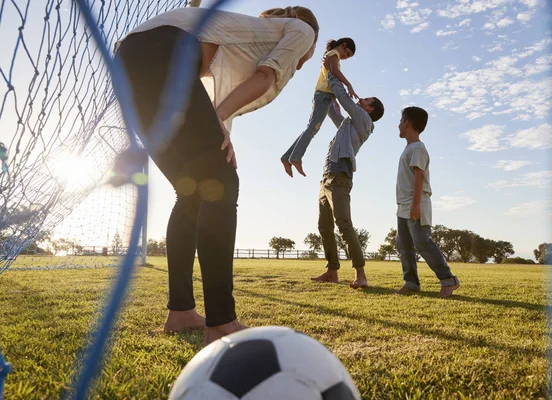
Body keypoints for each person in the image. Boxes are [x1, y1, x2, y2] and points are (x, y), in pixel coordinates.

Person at [114, 5, 319, 344]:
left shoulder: (239, 39)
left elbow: (206, 100)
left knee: (191, 191)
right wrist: (219, 122)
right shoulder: (301, 31)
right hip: (163, 52)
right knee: (221, 184)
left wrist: (219, 127)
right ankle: (222, 321)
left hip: (129, 62)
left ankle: (180, 312)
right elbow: (265, 76)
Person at [310, 55, 384, 289]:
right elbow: (335, 112)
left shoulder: (364, 120)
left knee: (343, 224)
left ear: (369, 108)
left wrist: (332, 73)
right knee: (324, 227)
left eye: (365, 100)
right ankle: (332, 271)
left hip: (340, 175)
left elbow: (344, 97)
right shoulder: (350, 124)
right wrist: (327, 93)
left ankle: (360, 274)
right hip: (327, 176)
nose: (360, 99)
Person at [394, 106, 460, 298]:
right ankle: (411, 282)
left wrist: (416, 205)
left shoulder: (417, 149)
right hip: (403, 207)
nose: (398, 125)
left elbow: (419, 176)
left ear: (406, 123)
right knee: (404, 245)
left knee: (422, 242)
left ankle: (449, 280)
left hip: (416, 204)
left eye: (400, 121)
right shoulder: (409, 148)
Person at [281, 38, 357, 177]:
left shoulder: (332, 55)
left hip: (326, 97)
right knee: (312, 128)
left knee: (312, 128)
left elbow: (329, 79)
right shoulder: (334, 53)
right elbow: (334, 72)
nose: (346, 58)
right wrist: (349, 85)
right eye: (348, 54)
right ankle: (295, 157)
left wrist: (335, 101)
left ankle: (287, 157)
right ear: (343, 46)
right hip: (323, 96)